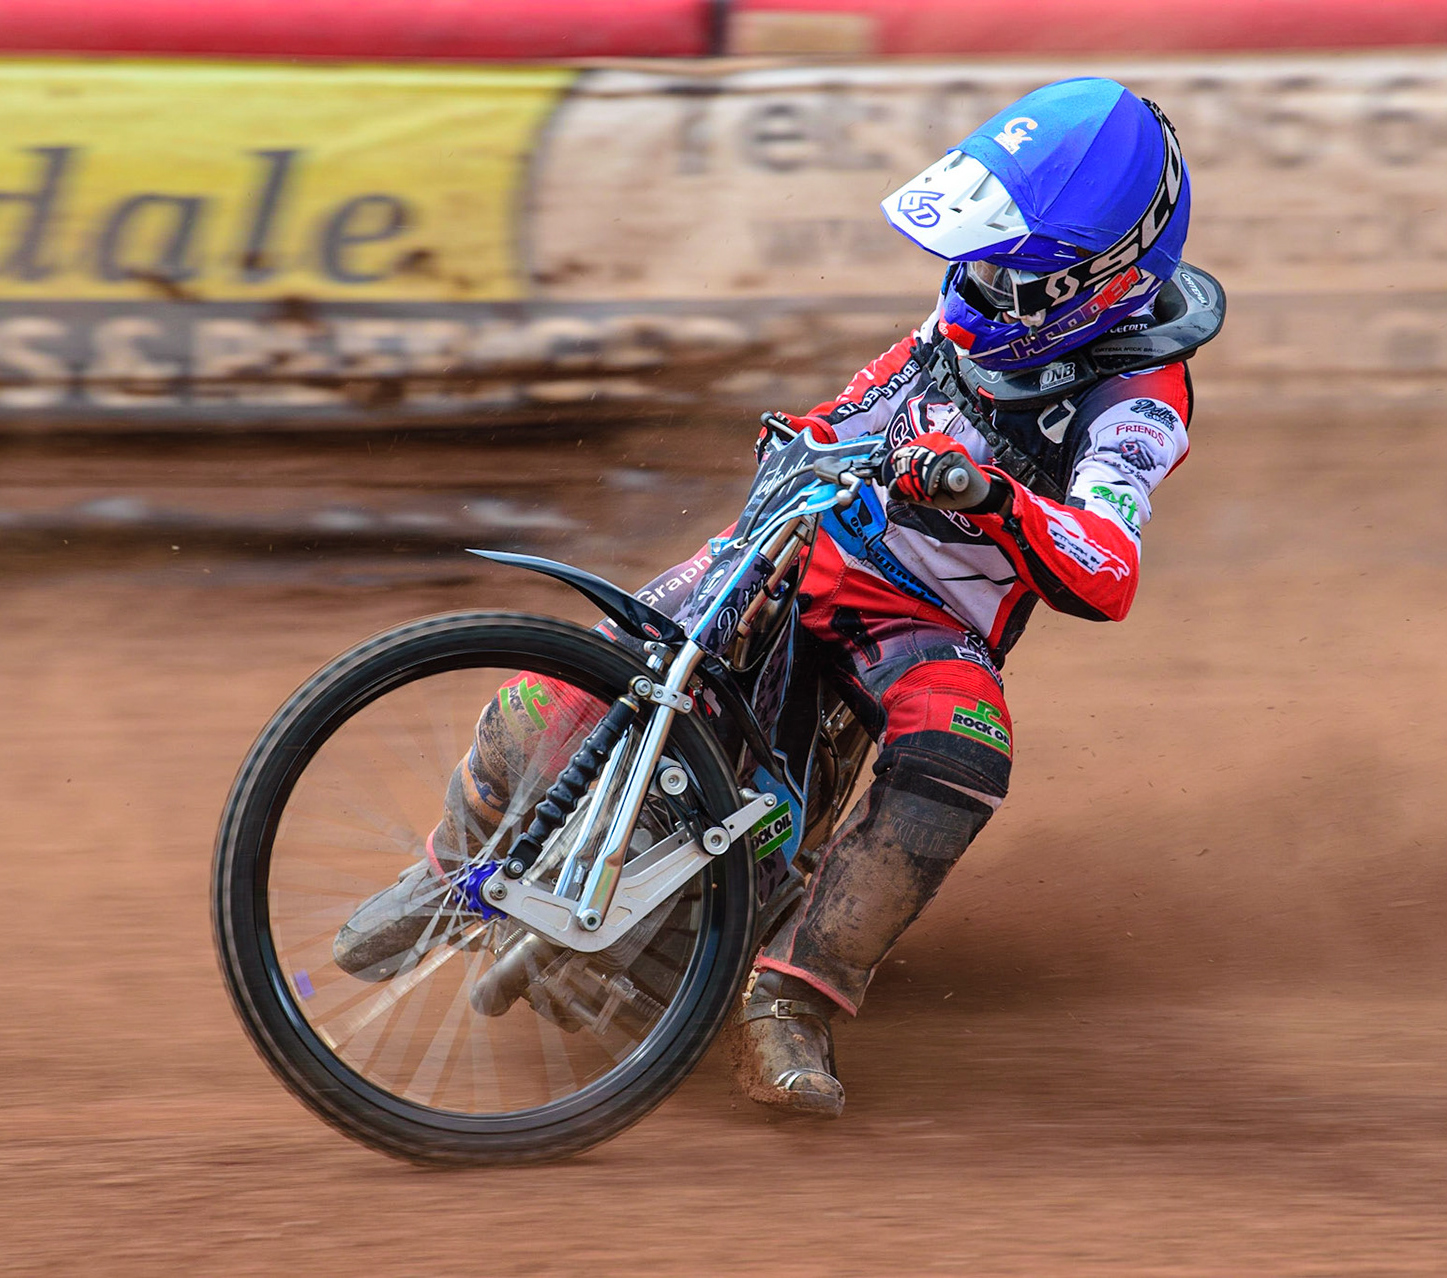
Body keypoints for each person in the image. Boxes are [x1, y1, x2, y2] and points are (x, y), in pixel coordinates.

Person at [334, 76, 1222, 1119]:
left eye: (1011, 274)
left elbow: (1108, 564)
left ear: (1104, 277)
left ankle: (789, 1000)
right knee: (603, 657)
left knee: (964, 745)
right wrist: (805, 440)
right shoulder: (965, 317)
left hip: (926, 619)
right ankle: (450, 871)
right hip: (802, 545)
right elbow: (869, 396)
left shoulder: (1138, 401)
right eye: (976, 261)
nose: (980, 287)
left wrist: (986, 495)